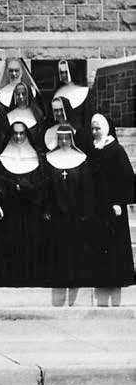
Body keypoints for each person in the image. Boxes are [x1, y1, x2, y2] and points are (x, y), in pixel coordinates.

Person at [0, 121, 47, 287]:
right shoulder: (2, 158)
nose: (18, 136)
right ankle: (12, 278)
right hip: (10, 211)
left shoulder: (36, 157)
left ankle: (31, 278)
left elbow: (42, 184)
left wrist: (26, 188)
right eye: (15, 133)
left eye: (22, 133)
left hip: (31, 210)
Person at [87, 114, 134, 288]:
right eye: (92, 128)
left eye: (97, 128)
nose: (94, 132)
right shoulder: (92, 149)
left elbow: (126, 178)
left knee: (114, 244)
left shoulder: (116, 150)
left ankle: (117, 278)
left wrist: (118, 201)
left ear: (105, 129)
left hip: (113, 206)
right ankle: (100, 278)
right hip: (97, 205)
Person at [44, 126, 93, 287]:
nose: (63, 141)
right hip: (57, 212)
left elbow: (86, 187)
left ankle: (77, 278)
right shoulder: (50, 159)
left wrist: (85, 209)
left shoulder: (81, 158)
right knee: (59, 246)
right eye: (60, 138)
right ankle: (59, 278)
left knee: (76, 246)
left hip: (76, 212)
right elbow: (47, 187)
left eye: (66, 138)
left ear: (71, 139)